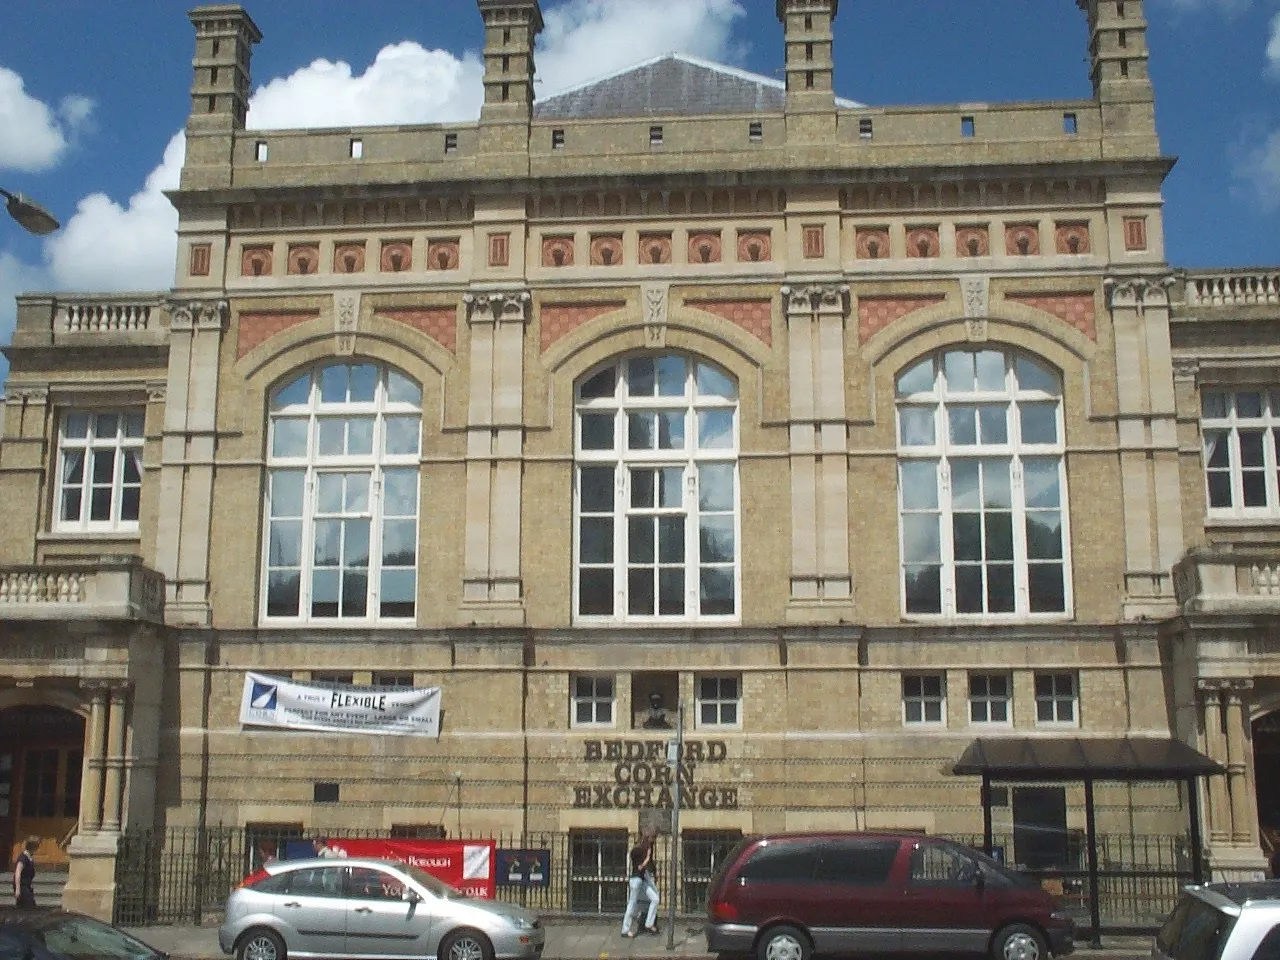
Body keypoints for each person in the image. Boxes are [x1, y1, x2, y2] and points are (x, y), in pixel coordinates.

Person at [621, 828, 660, 938]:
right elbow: (641, 866)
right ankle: (625, 929)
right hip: (636, 880)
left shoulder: (642, 849)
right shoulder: (639, 850)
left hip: (642, 880)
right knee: (632, 904)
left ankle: (649, 923)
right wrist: (647, 857)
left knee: (655, 899)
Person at [13, 837, 38, 908]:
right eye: (36, 847)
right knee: (29, 905)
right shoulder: (23, 858)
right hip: (22, 886)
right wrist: (18, 889)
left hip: (27, 885)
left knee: (22, 906)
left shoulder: (29, 857)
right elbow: (18, 872)